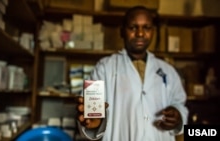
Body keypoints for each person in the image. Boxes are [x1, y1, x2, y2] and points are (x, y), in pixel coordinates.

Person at [77, 5, 188, 141]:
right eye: (133, 27)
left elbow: (179, 104)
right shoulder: (104, 67)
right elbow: (90, 114)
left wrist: (178, 117)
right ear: (122, 31)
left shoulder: (168, 71)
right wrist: (94, 124)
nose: (140, 33)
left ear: (153, 31)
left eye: (146, 27)